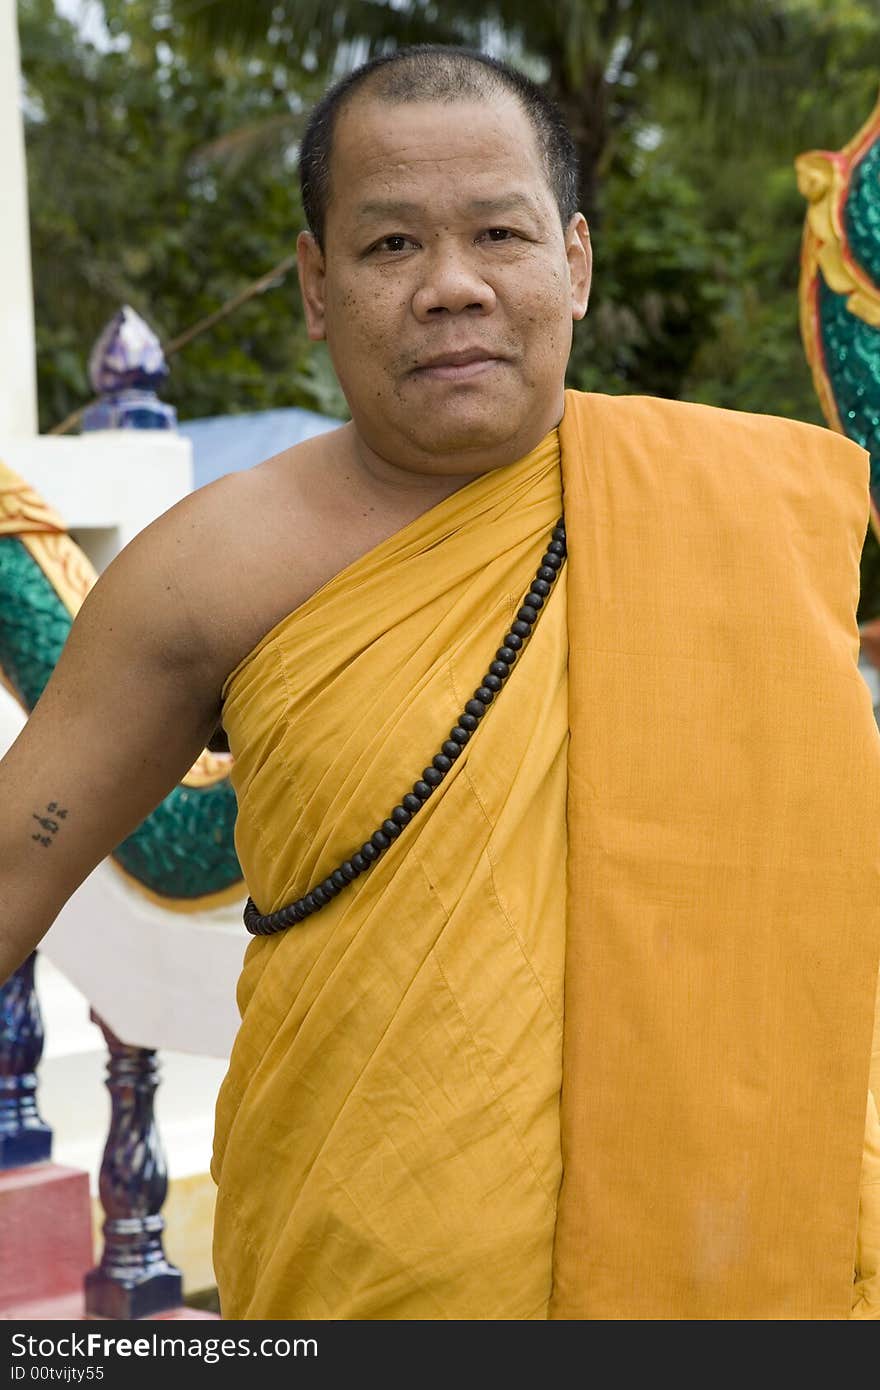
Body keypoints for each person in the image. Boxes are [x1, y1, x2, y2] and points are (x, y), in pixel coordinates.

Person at [1, 45, 879, 1322]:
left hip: (745, 1281)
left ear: (572, 261)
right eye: (391, 246)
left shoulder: (756, 513)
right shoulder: (210, 571)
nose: (452, 287)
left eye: (499, 234)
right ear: (315, 285)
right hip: (362, 1285)